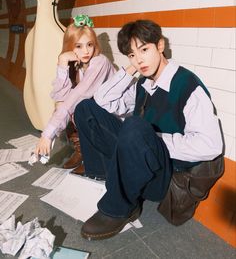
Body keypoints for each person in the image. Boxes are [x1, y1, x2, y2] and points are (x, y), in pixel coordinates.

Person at [73, 19, 223, 240]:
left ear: (160, 46)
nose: (139, 59)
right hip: (141, 163)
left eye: (144, 49)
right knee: (86, 109)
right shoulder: (144, 84)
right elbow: (103, 99)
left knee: (134, 127)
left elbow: (211, 145)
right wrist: (133, 67)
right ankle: (105, 179)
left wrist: (153, 141)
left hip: (167, 176)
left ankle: (120, 206)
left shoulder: (187, 86)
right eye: (132, 55)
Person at [34, 14, 115, 173]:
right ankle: (83, 150)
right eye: (78, 46)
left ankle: (95, 155)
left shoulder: (100, 62)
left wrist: (47, 135)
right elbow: (60, 96)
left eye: (90, 45)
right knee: (61, 104)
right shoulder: (78, 65)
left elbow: (76, 96)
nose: (86, 51)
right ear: (70, 46)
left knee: (77, 105)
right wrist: (63, 61)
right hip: (97, 116)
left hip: (114, 122)